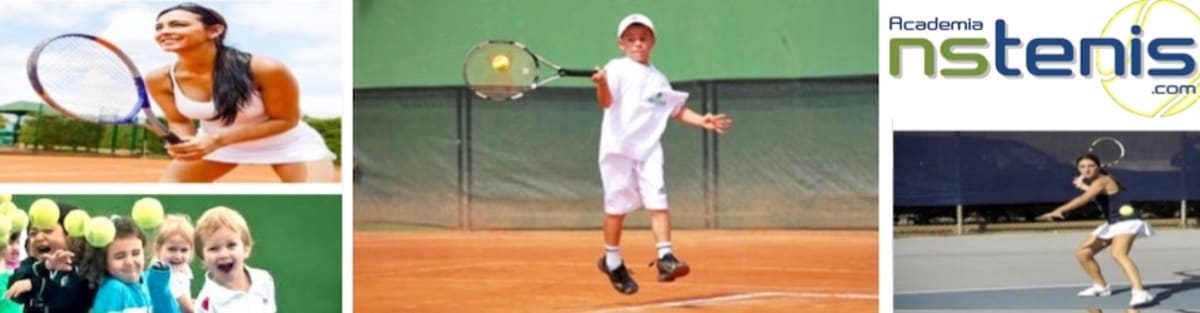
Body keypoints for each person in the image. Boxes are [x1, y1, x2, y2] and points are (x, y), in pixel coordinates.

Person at [590, 13, 732, 295]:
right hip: (618, 149)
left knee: (658, 202)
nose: (637, 44)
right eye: (631, 39)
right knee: (616, 209)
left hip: (649, 150)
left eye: (643, 38)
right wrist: (602, 84)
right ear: (621, 44)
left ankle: (666, 257)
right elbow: (606, 103)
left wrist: (701, 120)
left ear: (652, 42)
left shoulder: (658, 79)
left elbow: (675, 110)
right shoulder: (615, 69)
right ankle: (612, 260)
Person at [147, 2, 337, 182]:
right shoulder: (158, 79)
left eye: (178, 25)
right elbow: (179, 120)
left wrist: (217, 141)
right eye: (159, 27)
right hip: (214, 144)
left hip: (287, 144)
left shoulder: (266, 69)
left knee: (313, 195)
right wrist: (185, 141)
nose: (164, 32)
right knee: (171, 190)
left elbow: (285, 120)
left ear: (214, 31)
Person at [1039, 153, 1155, 307]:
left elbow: (1085, 198)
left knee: (1118, 254)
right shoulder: (1097, 183)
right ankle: (1101, 286)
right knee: (1083, 253)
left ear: (1098, 167)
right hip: (1113, 223)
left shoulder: (1103, 180)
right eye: (1082, 167)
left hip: (1127, 221)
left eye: (1091, 166)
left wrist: (1059, 210)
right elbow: (1098, 194)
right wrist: (1084, 186)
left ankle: (1140, 292)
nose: (1086, 169)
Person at [4, 201, 97, 313]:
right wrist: (44, 266)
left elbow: (69, 297)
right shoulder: (30, 264)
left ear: (72, 237)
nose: (38, 237)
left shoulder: (82, 269)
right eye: (33, 233)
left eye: (48, 231)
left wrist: (35, 285)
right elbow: (15, 292)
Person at [85, 217, 179, 313]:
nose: (129, 262)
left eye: (136, 253)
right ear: (104, 261)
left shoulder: (147, 280)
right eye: (120, 257)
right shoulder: (113, 289)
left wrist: (160, 288)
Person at [193, 207, 275, 313]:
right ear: (203, 258)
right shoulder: (206, 303)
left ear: (246, 248)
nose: (223, 254)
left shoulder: (264, 280)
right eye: (213, 248)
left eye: (231, 245)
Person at [153, 215, 197, 313]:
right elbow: (188, 309)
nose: (178, 256)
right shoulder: (161, 274)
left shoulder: (183, 269)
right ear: (158, 249)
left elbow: (186, 302)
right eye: (172, 249)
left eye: (184, 250)